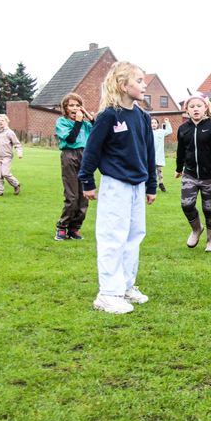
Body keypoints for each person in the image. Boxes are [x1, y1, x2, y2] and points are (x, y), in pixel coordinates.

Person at [78, 61, 157, 314]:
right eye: (139, 81)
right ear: (124, 85)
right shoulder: (108, 115)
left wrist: (151, 185)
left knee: (134, 236)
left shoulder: (143, 117)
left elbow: (148, 152)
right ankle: (107, 293)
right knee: (113, 237)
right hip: (115, 185)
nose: (145, 85)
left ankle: (125, 286)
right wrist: (87, 180)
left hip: (138, 184)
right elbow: (92, 150)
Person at [175, 93, 211, 252]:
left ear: (206, 107)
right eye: (191, 107)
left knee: (209, 208)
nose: (195, 109)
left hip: (209, 177)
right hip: (190, 174)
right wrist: (179, 169)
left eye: (199, 106)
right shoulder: (183, 129)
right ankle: (196, 228)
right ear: (187, 110)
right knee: (186, 204)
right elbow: (180, 152)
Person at [54, 93, 93, 240]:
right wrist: (77, 122)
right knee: (72, 195)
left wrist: (87, 116)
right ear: (65, 107)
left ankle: (75, 228)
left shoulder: (85, 124)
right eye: (71, 105)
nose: (74, 108)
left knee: (84, 195)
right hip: (70, 155)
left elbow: (98, 128)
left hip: (86, 156)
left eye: (77, 105)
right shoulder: (62, 122)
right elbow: (70, 139)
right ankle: (62, 226)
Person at [0, 114, 23, 197]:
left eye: (2, 120)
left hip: (7, 157)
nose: (0, 122)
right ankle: (0, 191)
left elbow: (17, 144)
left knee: (5, 173)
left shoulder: (10, 133)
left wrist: (19, 153)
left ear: (6, 122)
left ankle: (16, 185)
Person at [152, 117, 173, 192]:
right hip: (150, 155)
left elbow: (169, 131)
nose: (153, 124)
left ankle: (161, 183)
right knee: (152, 171)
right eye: (152, 123)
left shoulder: (161, 131)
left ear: (157, 124)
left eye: (155, 123)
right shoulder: (148, 132)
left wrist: (167, 123)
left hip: (159, 154)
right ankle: (152, 185)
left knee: (159, 170)